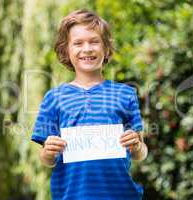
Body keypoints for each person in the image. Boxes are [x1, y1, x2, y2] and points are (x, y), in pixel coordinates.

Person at [31, 9, 148, 200]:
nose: (87, 49)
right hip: (72, 195)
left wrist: (136, 146)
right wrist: (48, 152)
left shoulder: (125, 94)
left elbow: (141, 153)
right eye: (78, 43)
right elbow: (46, 160)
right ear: (66, 51)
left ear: (106, 48)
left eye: (94, 41)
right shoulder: (54, 98)